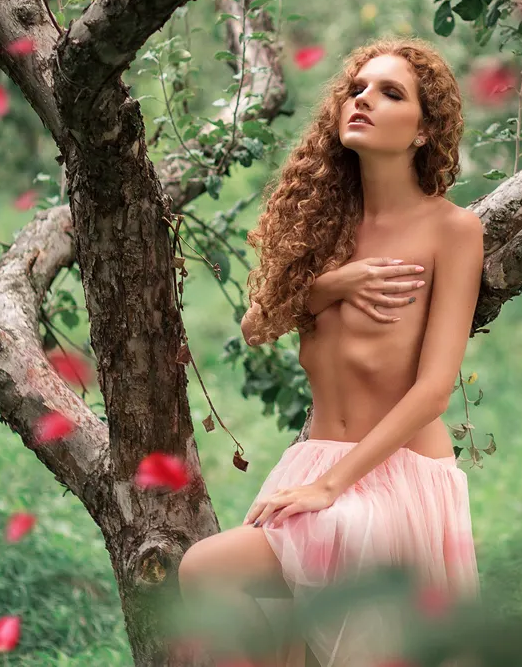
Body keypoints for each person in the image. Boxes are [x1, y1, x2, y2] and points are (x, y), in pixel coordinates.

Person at [178, 38, 484, 666]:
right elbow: (257, 325)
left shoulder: (452, 230)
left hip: (396, 477)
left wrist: (330, 486)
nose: (363, 99)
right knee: (260, 621)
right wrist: (333, 284)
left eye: (390, 93)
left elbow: (434, 390)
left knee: (208, 569)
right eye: (357, 88)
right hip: (315, 462)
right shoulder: (325, 226)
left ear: (424, 130)